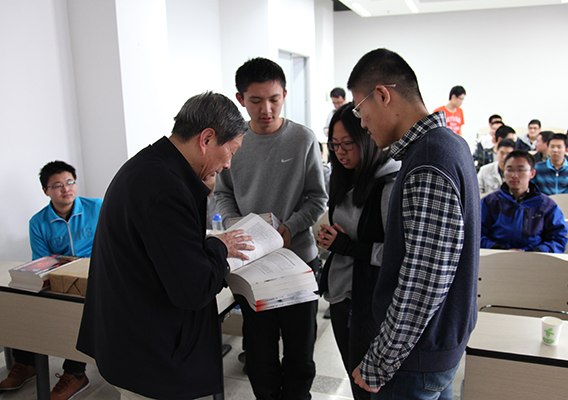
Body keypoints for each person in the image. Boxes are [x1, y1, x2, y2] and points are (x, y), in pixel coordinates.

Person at [76, 92, 254, 400]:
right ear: (207, 139)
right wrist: (219, 247)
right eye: (231, 152)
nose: (227, 164)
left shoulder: (148, 166)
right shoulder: (166, 189)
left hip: (128, 339)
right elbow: (194, 289)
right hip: (149, 354)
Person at [346, 48, 480, 399]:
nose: (362, 123)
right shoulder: (449, 144)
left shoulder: (429, 160)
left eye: (360, 109)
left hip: (416, 357)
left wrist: (379, 362)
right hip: (436, 346)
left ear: (382, 95)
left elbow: (424, 280)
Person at [214, 57, 328, 400]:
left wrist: (289, 228)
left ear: (285, 95)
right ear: (240, 99)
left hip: (298, 262)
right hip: (252, 265)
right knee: (259, 354)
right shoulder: (233, 141)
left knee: (300, 354)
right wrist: (237, 227)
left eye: (274, 99)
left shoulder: (303, 139)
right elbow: (223, 194)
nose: (266, 109)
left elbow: (317, 197)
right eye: (256, 100)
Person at [316, 103, 400, 400]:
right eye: (334, 145)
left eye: (348, 143)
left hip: (371, 301)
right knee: (355, 378)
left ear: (367, 137)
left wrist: (349, 247)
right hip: (342, 293)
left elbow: (398, 256)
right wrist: (332, 240)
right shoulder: (343, 177)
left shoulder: (390, 185)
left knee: (370, 386)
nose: (340, 152)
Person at [0, 161, 102, 400]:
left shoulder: (97, 207)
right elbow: (42, 262)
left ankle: (75, 373)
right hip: (59, 277)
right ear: (46, 191)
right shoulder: (38, 222)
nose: (66, 189)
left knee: (78, 310)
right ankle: (27, 363)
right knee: (24, 301)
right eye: (57, 185)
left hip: (95, 274)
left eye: (70, 182)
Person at [481, 150, 568, 252]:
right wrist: (497, 249)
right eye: (509, 170)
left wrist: (536, 252)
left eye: (520, 170)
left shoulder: (546, 205)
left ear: (532, 173)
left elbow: (558, 238)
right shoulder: (489, 203)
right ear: (504, 172)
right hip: (495, 256)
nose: (514, 175)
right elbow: (475, 234)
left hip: (535, 258)